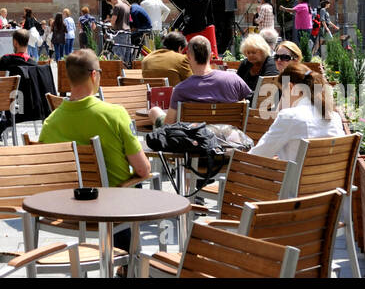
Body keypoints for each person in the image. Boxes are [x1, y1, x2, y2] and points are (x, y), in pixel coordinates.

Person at [39, 49, 152, 258]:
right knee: (133, 186)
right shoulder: (114, 114)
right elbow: (143, 169)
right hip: (112, 208)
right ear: (93, 75)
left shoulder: (50, 124)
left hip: (69, 208)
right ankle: (128, 265)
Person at [248, 61, 343, 159]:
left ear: (290, 87)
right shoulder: (334, 117)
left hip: (297, 174)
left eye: (283, 93)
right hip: (328, 172)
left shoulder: (290, 116)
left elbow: (258, 155)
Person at [153, 35, 251, 125]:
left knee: (154, 111)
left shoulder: (180, 90)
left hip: (194, 141)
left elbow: (169, 125)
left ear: (188, 56)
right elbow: (244, 109)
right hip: (229, 140)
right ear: (211, 55)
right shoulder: (234, 80)